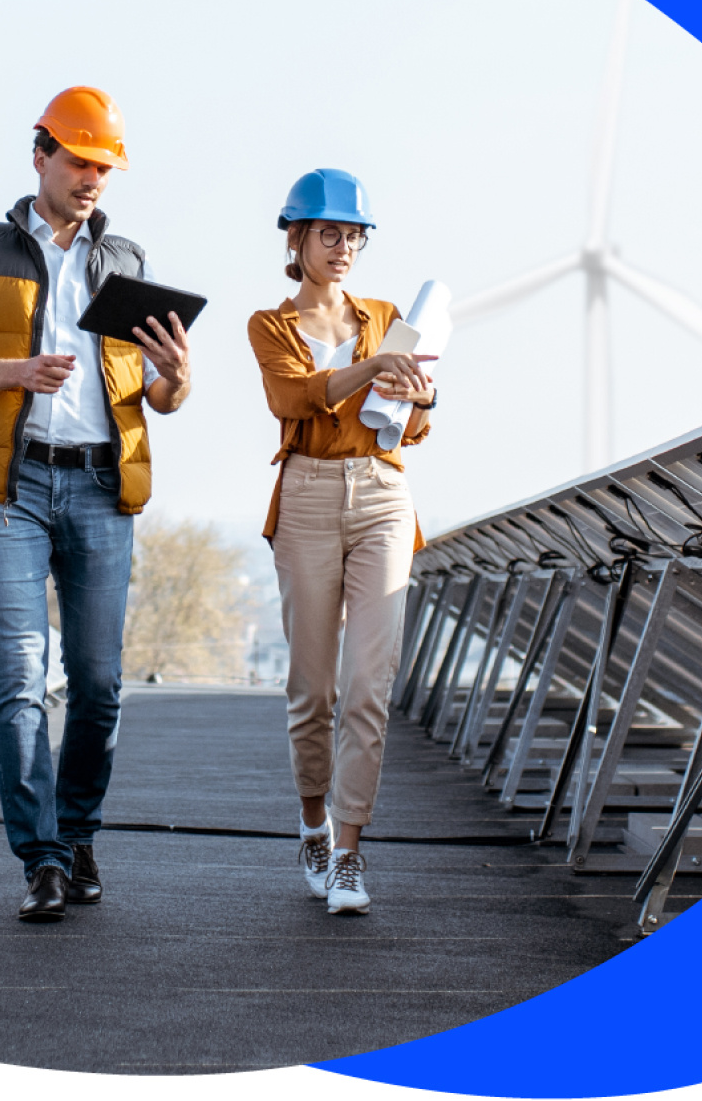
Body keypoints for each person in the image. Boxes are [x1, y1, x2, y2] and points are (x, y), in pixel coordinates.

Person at [0, 86, 192, 923]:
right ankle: (37, 857)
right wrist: (16, 373)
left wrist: (178, 377)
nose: (92, 179)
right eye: (79, 161)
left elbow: (157, 394)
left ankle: (77, 837)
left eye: (104, 166)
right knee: (20, 676)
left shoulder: (129, 263)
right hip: (11, 484)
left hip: (104, 485)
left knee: (101, 683)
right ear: (40, 155)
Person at [246, 169, 437, 915]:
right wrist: (371, 368)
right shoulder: (270, 324)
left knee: (369, 685)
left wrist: (419, 398)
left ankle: (351, 854)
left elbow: (412, 427)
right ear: (297, 239)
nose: (344, 247)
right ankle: (313, 823)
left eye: (354, 235)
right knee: (313, 690)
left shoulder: (388, 316)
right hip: (308, 495)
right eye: (331, 234)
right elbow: (291, 398)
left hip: (383, 494)